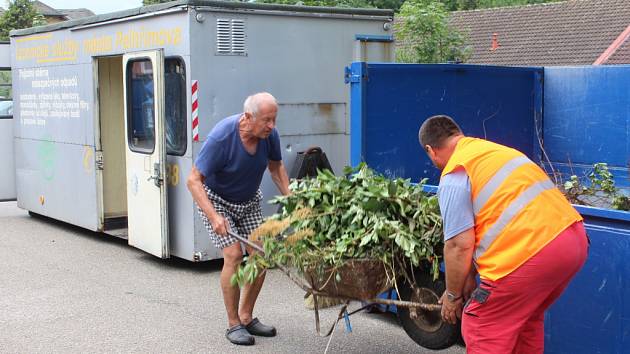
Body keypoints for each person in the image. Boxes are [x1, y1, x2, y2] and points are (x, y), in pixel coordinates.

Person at [418, 115, 588, 353]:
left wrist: (453, 295)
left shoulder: (456, 173)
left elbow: (458, 245)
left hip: (532, 250)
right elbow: (495, 221)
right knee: (524, 320)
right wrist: (469, 274)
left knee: (482, 324)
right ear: (459, 135)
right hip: (573, 239)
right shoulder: (494, 152)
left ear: (430, 150)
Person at [187, 92, 290, 346]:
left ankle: (246, 316)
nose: (272, 126)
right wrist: (213, 217)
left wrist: (291, 198)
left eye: (274, 119)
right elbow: (193, 180)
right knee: (233, 255)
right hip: (218, 202)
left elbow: (275, 167)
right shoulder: (222, 137)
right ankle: (233, 324)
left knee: (261, 254)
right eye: (267, 120)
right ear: (247, 117)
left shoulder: (269, 136)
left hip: (248, 201)